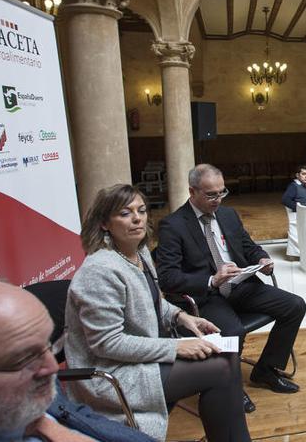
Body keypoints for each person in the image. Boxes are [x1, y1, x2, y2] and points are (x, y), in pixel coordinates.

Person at [65, 184, 250, 441]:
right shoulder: (100, 270)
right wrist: (175, 348)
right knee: (220, 370)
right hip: (113, 373)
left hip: (142, 357)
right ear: (105, 223)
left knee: (226, 358)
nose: (137, 218)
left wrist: (181, 316)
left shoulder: (139, 252)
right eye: (125, 213)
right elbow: (107, 344)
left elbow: (152, 302)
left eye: (141, 210)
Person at [0, 280, 155, 442]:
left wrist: (47, 426)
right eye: (24, 359)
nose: (52, 368)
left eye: (50, 345)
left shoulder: (19, 393)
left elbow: (77, 414)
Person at [157, 165, 306, 400]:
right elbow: (167, 278)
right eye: (211, 195)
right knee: (232, 331)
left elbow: (247, 246)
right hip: (206, 296)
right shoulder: (173, 225)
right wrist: (211, 280)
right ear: (192, 191)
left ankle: (266, 370)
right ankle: (231, 387)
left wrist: (261, 258)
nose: (218, 200)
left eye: (222, 192)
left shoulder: (228, 215)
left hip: (240, 286)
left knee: (295, 305)